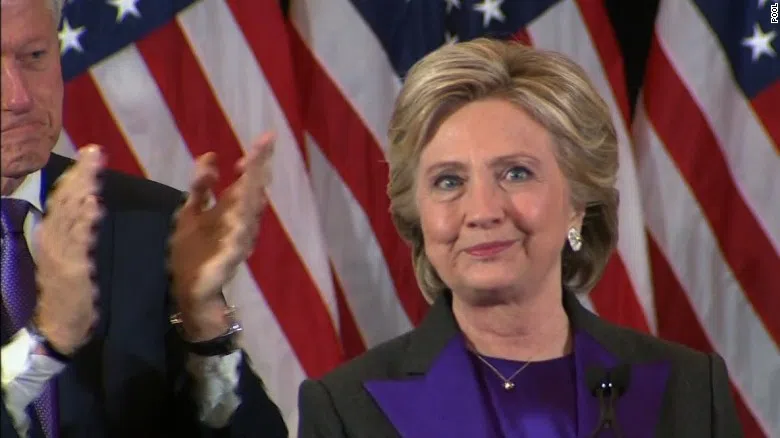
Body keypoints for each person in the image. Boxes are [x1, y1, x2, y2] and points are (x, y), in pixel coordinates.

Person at [297, 38, 742, 437]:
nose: (483, 211)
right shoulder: (347, 411)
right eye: (449, 181)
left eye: (516, 173)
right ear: (419, 214)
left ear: (577, 202)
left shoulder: (690, 391)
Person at [1, 0, 287, 436]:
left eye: (35, 56)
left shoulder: (149, 222)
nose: (19, 97)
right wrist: (47, 343)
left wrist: (205, 328)